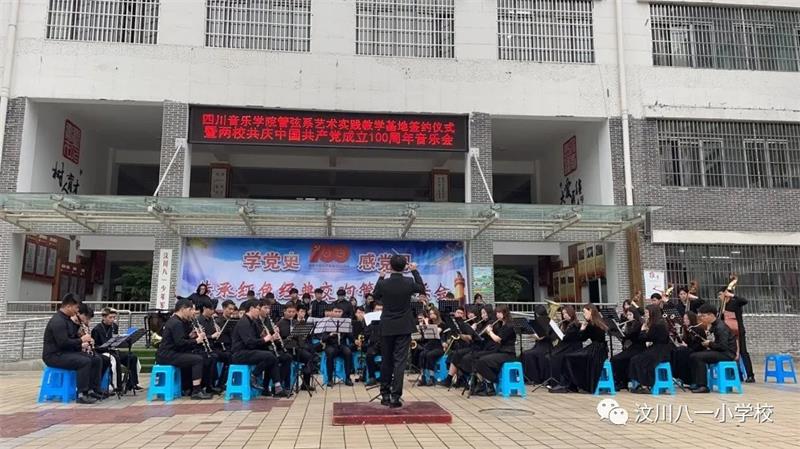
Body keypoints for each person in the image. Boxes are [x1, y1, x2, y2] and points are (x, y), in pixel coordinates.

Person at [372, 255, 425, 407]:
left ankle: (385, 395)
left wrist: (381, 277)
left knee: (386, 360)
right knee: (400, 362)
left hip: (387, 325)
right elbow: (421, 288)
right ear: (404, 267)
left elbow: (375, 296)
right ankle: (396, 397)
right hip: (404, 326)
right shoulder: (408, 282)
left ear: (390, 266)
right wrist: (414, 271)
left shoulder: (384, 283)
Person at [42, 294, 104, 404]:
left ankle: (93, 389)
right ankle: (82, 394)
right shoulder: (58, 321)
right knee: (84, 361)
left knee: (96, 359)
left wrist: (83, 342)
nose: (77, 311)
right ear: (68, 306)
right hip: (54, 356)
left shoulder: (67, 320)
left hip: (65, 353)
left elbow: (72, 338)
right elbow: (63, 343)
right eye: (76, 308)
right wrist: (81, 340)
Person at [231, 299, 291, 398]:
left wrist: (271, 338)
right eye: (258, 309)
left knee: (272, 356)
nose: (259, 311)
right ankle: (254, 376)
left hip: (249, 351)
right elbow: (249, 342)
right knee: (269, 356)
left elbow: (257, 339)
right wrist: (264, 339)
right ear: (251, 308)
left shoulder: (253, 322)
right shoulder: (244, 322)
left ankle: (277, 387)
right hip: (240, 353)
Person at [155, 299, 212, 400]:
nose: (193, 312)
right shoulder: (176, 323)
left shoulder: (176, 321)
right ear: (183, 309)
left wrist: (190, 336)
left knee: (198, 356)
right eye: (190, 310)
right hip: (168, 355)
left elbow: (179, 339)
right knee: (197, 360)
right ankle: (196, 391)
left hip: (170, 353)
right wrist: (196, 340)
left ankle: (188, 387)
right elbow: (180, 343)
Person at [551, 304, 608, 394]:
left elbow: (583, 338)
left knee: (569, 357)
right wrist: (582, 329)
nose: (583, 314)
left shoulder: (594, 324)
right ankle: (570, 384)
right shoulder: (595, 323)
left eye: (584, 312)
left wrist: (582, 329)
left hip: (597, 351)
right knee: (569, 357)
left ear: (591, 311)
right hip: (597, 349)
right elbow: (582, 338)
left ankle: (568, 384)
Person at [468, 306, 517, 396]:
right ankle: (484, 384)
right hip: (501, 352)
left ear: (505, 313)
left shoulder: (509, 325)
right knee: (477, 359)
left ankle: (492, 382)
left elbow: (497, 339)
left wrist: (489, 331)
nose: (497, 315)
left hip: (508, 354)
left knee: (482, 361)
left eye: (499, 313)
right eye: (497, 313)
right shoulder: (501, 324)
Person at [688, 303, 738, 393]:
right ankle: (696, 382)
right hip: (720, 352)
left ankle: (703, 386)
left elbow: (723, 346)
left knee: (698, 357)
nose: (701, 318)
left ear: (711, 315)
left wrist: (709, 344)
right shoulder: (714, 325)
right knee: (693, 355)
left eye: (703, 316)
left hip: (727, 354)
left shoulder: (720, 327)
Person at [91, 307, 142, 392]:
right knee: (115, 359)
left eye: (114, 317)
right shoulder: (97, 329)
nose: (112, 320)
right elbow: (95, 346)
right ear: (104, 317)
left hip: (113, 350)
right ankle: (117, 385)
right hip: (103, 352)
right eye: (110, 317)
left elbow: (116, 339)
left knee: (132, 357)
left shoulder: (114, 326)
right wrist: (106, 346)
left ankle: (131, 383)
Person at [628, 304, 673, 393]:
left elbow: (645, 338)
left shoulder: (657, 324)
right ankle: (641, 384)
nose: (645, 315)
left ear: (652, 313)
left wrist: (643, 330)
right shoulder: (659, 323)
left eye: (647, 313)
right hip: (659, 349)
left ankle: (645, 385)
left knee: (639, 360)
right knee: (636, 359)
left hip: (660, 351)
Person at [276, 303, 317, 391]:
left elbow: (301, 340)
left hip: (296, 348)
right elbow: (278, 340)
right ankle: (285, 385)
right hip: (286, 349)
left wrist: (302, 336)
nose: (291, 314)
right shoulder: (280, 323)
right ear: (284, 311)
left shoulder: (297, 323)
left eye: (293, 312)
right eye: (289, 312)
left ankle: (305, 384)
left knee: (308, 357)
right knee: (288, 359)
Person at [721, 287, 754, 382]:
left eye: (720, 294)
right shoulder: (722, 307)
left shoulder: (735, 303)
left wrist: (732, 295)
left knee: (743, 352)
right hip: (728, 333)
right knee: (731, 353)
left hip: (738, 331)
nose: (719, 297)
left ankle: (750, 375)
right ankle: (737, 375)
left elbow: (744, 301)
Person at [545, 306, 583, 389]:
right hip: (566, 346)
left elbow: (567, 337)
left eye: (566, 313)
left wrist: (561, 333)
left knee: (555, 356)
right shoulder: (566, 324)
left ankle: (556, 382)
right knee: (549, 355)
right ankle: (552, 380)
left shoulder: (575, 324)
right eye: (563, 314)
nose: (564, 315)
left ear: (571, 313)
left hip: (573, 348)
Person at [610, 307, 644, 391]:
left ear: (635, 315)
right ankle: (622, 381)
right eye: (627, 315)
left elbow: (629, 335)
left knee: (617, 359)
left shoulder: (638, 324)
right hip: (632, 347)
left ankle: (620, 381)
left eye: (630, 315)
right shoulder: (630, 324)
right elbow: (626, 337)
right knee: (616, 359)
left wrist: (620, 331)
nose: (628, 317)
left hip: (639, 348)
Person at [521, 305, 556, 385]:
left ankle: (535, 379)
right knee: (525, 353)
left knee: (528, 354)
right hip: (538, 345)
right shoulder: (537, 322)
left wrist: (530, 332)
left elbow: (540, 337)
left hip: (546, 346)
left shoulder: (548, 322)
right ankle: (529, 378)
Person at [194, 299, 222, 395]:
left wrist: (217, 333)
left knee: (216, 356)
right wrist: (211, 336)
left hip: (211, 347)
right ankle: (207, 385)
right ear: (204, 308)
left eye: (213, 309)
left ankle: (213, 384)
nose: (212, 312)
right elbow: (200, 336)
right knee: (211, 358)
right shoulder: (199, 320)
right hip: (200, 348)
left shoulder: (211, 320)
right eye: (211, 309)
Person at [321, 305, 354, 386]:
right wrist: (330, 335)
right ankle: (330, 379)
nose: (337, 313)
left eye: (339, 312)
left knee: (348, 352)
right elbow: (323, 338)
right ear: (332, 312)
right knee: (330, 353)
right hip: (331, 345)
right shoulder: (327, 322)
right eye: (335, 311)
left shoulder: (345, 322)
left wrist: (350, 329)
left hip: (342, 345)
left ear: (342, 312)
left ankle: (347, 378)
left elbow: (351, 338)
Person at [670, 311, 704, 386]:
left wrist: (687, 346)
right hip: (688, 349)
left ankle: (686, 379)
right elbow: (685, 342)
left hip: (697, 350)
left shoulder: (698, 329)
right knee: (675, 351)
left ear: (692, 319)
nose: (685, 320)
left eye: (687, 319)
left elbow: (699, 344)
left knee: (681, 352)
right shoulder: (686, 329)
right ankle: (676, 375)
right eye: (684, 319)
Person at [416, 308, 445, 386]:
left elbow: (436, 332)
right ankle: (423, 377)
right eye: (430, 313)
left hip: (438, 347)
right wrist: (421, 326)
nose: (431, 315)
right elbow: (425, 336)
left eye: (433, 313)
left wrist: (426, 323)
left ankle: (431, 378)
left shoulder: (441, 324)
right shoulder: (429, 323)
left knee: (429, 355)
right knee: (422, 354)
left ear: (437, 314)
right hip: (429, 346)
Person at [213, 299, 238, 388]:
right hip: (219, 347)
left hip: (230, 347)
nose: (231, 311)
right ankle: (221, 383)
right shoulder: (217, 321)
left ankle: (231, 382)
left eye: (233, 309)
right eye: (229, 309)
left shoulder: (234, 321)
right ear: (223, 308)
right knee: (230, 357)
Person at [362, 302, 383, 385]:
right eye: (377, 309)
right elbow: (366, 333)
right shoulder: (368, 319)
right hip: (373, 344)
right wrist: (372, 325)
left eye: (381, 310)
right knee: (369, 355)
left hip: (385, 344)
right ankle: (372, 377)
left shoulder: (387, 319)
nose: (379, 311)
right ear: (373, 310)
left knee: (390, 355)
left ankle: (386, 376)